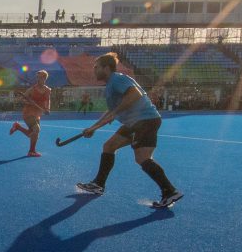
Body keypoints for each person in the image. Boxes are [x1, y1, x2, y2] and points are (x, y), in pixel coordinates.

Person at [76, 51, 183, 209]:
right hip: (135, 122)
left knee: (142, 158)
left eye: (96, 67)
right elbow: (111, 111)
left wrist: (116, 112)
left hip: (144, 121)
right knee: (109, 146)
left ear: (106, 68)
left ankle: (170, 191)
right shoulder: (111, 84)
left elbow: (135, 94)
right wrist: (94, 127)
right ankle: (98, 184)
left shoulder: (117, 79)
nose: (94, 70)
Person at [8, 70, 51, 157]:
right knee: (37, 129)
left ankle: (18, 126)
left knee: (33, 135)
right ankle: (31, 151)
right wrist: (29, 103)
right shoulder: (31, 90)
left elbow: (48, 100)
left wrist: (47, 108)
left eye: (41, 77)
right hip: (28, 112)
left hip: (37, 113)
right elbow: (21, 99)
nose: (38, 79)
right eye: (38, 77)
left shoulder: (47, 90)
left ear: (44, 78)